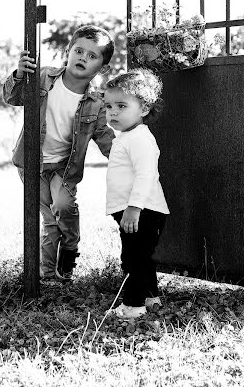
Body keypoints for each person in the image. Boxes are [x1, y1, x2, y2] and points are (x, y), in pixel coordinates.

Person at [3, 25, 115, 282]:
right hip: (32, 164)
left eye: (92, 56)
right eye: (79, 51)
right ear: (68, 51)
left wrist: (125, 159)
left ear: (103, 68)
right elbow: (13, 97)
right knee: (50, 221)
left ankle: (70, 246)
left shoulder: (96, 103)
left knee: (64, 206)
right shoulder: (43, 78)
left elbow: (105, 138)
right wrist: (20, 75)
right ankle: (50, 276)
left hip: (64, 167)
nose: (83, 58)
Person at [104, 68, 170, 319]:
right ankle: (151, 299)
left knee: (133, 259)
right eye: (109, 106)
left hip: (142, 210)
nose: (113, 112)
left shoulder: (140, 138)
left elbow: (146, 175)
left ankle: (132, 306)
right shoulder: (128, 136)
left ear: (143, 109)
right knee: (142, 257)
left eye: (122, 105)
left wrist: (134, 207)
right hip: (136, 209)